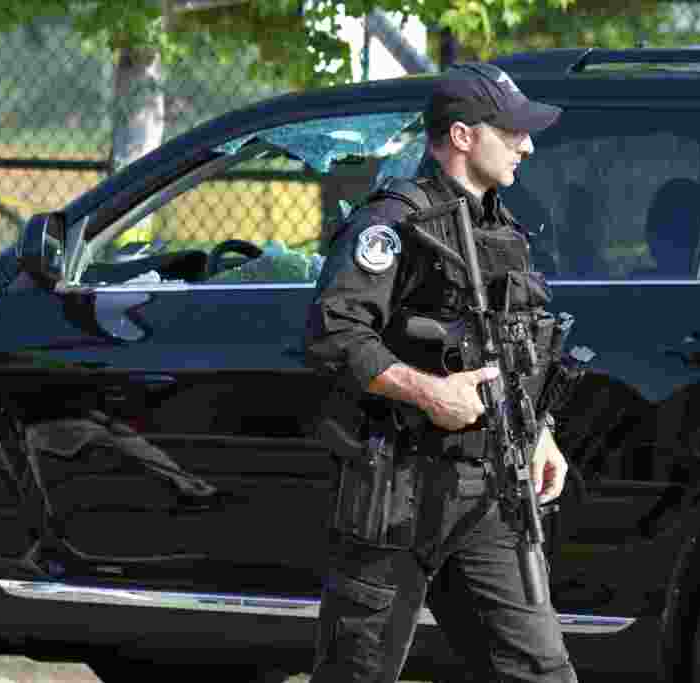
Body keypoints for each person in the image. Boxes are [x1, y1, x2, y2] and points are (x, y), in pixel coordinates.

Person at [304, 63, 578, 683]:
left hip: (489, 493)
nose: (527, 146)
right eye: (511, 132)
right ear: (461, 136)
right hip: (397, 491)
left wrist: (540, 431)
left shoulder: (500, 229)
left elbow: (512, 346)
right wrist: (427, 392)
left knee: (541, 671)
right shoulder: (394, 222)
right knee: (358, 672)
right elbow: (334, 331)